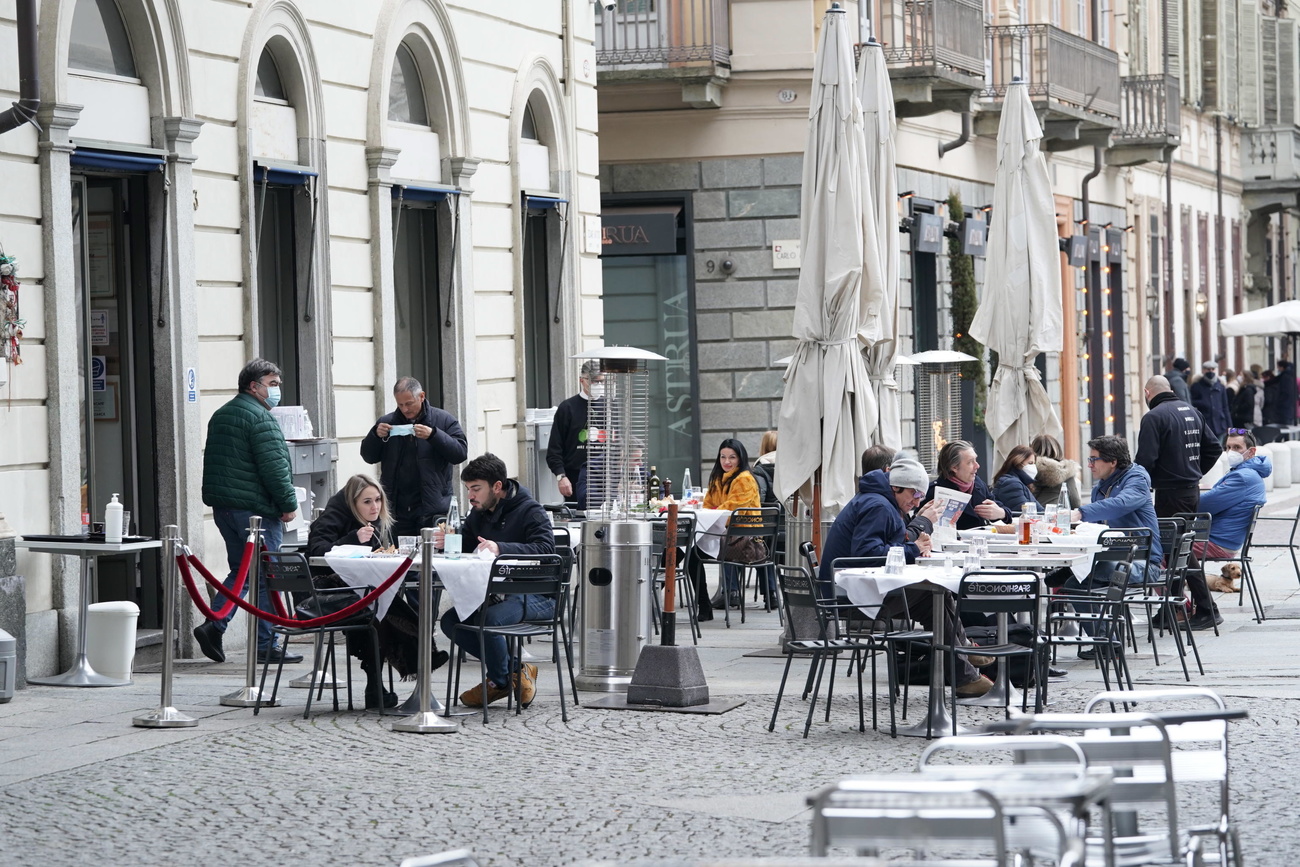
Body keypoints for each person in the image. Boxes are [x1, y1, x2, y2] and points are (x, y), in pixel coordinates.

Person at [818, 459, 993, 698]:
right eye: (915, 493)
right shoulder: (877, 505)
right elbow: (867, 554)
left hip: (853, 591)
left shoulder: (881, 501)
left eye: (921, 494)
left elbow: (885, 545)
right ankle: (963, 672)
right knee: (934, 598)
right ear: (896, 487)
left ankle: (963, 660)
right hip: (852, 599)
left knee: (936, 596)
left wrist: (913, 543)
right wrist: (913, 549)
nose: (918, 500)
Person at [306, 474, 450, 709]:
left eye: (378, 500)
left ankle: (383, 681)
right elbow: (317, 551)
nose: (375, 507)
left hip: (360, 588)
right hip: (327, 591)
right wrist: (352, 539)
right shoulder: (336, 512)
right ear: (353, 502)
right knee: (379, 612)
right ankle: (414, 659)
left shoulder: (376, 522)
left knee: (381, 607)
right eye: (367, 502)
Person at [195, 358, 303, 665]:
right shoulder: (261, 418)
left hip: (225, 509)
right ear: (253, 386)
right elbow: (274, 468)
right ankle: (225, 627)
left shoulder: (223, 413)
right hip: (255, 512)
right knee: (261, 575)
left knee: (245, 572)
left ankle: (240, 633)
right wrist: (287, 505)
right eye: (273, 384)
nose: (277, 390)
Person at [438, 454, 556, 708]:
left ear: (497, 487)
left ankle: (497, 682)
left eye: (476, 489)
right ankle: (513, 673)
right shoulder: (478, 512)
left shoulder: (530, 510)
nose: (471, 495)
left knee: (489, 621)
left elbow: (547, 549)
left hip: (539, 594)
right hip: (497, 593)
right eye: (468, 489)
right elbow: (468, 546)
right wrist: (448, 542)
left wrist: (500, 547)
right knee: (450, 621)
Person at [360, 377, 468, 539]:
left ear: (422, 396)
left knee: (433, 558)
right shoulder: (387, 422)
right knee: (401, 558)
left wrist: (433, 435)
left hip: (433, 508)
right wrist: (375, 435)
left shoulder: (444, 420)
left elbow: (460, 453)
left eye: (409, 403)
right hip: (397, 509)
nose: (405, 409)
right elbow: (368, 457)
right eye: (400, 405)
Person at [1192, 429, 1271, 629]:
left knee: (1165, 552)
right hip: (1224, 538)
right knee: (1171, 549)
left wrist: (1190, 495)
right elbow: (1217, 498)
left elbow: (1203, 505)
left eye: (1237, 447)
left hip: (1218, 541)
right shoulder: (1247, 473)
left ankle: (1184, 608)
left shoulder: (1242, 477)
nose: (1230, 452)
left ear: (1251, 452)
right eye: (1227, 447)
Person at [686, 439, 762, 615]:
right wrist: (714, 512)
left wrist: (714, 512)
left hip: (743, 540)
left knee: (690, 554)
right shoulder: (717, 478)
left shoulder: (745, 479)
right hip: (723, 533)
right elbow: (708, 505)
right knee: (684, 550)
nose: (727, 462)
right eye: (723, 457)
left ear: (740, 459)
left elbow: (732, 510)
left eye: (732, 457)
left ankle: (702, 607)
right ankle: (701, 606)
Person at [1136, 375, 1222, 516]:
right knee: (1184, 536)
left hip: (1169, 493)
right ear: (1170, 390)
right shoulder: (1193, 411)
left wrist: (1136, 483)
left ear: (1147, 393)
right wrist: (1193, 472)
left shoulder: (1153, 417)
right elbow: (1214, 448)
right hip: (1192, 491)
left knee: (1168, 537)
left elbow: (1146, 459)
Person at [546, 361, 602, 507]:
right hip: (575, 477)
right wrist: (561, 477)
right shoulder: (567, 408)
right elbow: (554, 450)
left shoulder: (611, 406)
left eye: (602, 381)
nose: (599, 385)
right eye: (594, 381)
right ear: (582, 380)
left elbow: (618, 443)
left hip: (606, 477)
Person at [921, 440, 1010, 530]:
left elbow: (1002, 510)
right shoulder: (935, 492)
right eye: (970, 462)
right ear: (954, 467)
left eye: (976, 460)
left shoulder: (978, 484)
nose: (977, 465)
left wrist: (1001, 513)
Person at [1030, 434, 1081, 510]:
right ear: (1058, 450)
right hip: (1055, 518)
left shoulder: (1027, 471)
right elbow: (1075, 503)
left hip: (1029, 516)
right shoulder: (1066, 473)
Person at [991, 445, 1039, 517]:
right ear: (1018, 463)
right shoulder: (1011, 484)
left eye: (1034, 463)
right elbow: (1023, 514)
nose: (1033, 467)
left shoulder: (1020, 482)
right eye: (1030, 463)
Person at [1189, 361, 1231, 439]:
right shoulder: (1196, 386)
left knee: (1219, 448)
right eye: (1208, 369)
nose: (1210, 371)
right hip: (1204, 423)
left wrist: (1229, 425)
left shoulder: (1220, 386)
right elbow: (1191, 403)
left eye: (1213, 369)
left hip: (1220, 424)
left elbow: (1225, 407)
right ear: (1203, 370)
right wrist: (1203, 403)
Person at [750, 430, 779, 506]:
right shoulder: (791, 466)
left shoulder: (759, 469)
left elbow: (760, 499)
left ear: (763, 446)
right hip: (792, 515)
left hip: (771, 515)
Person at [1278, 359, 1299, 425]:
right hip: (1292, 405)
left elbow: (1285, 391)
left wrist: (1280, 400)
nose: (1278, 369)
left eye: (1278, 367)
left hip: (1286, 405)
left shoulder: (1285, 377)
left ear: (1282, 367)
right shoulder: (1291, 376)